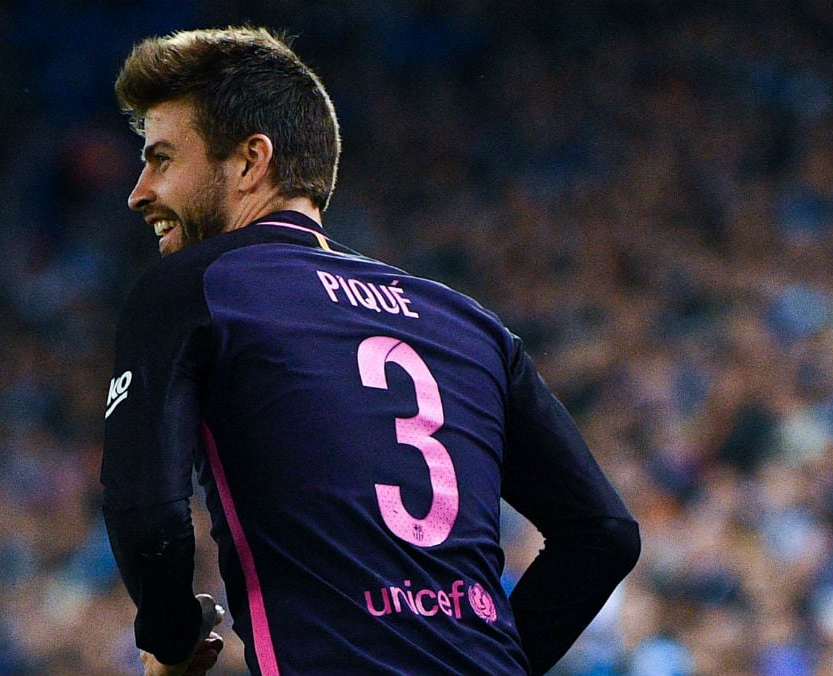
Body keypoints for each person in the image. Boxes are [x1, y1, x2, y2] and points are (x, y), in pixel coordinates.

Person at [101, 26, 640, 676]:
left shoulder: (196, 285)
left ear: (249, 161)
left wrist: (172, 637)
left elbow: (148, 520)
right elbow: (604, 535)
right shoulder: (465, 320)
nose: (139, 191)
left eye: (161, 158)